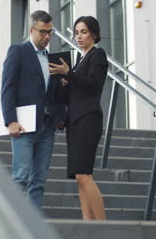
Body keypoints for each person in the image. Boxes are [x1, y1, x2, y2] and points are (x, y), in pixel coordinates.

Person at [1, 10, 65, 210]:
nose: (47, 37)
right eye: (42, 32)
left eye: (50, 32)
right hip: (24, 126)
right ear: (32, 30)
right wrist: (10, 120)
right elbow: (7, 87)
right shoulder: (18, 52)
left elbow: (55, 94)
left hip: (47, 127)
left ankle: (33, 226)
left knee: (39, 181)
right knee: (20, 176)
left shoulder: (54, 59)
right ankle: (12, 225)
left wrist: (60, 116)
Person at [48, 16, 108, 220]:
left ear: (94, 33)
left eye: (83, 31)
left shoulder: (98, 55)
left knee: (84, 175)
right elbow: (72, 96)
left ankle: (104, 228)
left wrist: (70, 74)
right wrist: (65, 81)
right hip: (74, 122)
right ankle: (88, 226)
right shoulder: (80, 60)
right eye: (76, 32)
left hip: (88, 120)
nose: (79, 36)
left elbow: (93, 84)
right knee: (80, 178)